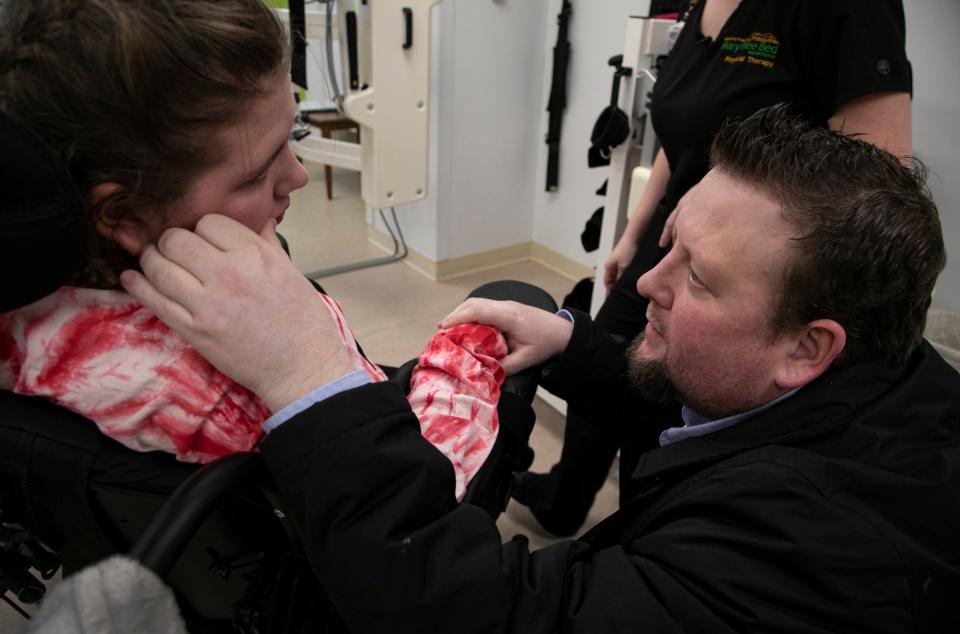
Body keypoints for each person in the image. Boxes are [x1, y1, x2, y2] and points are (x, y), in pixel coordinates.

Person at [121, 105, 960, 631]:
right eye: (671, 246)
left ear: (808, 347)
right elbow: (720, 412)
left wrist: (313, 383)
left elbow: (492, 616)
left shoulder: (809, 555)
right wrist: (575, 346)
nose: (644, 284)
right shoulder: (872, 373)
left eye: (696, 279)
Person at [0, 0, 509, 501]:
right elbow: (422, 491)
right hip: (397, 505)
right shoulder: (210, 388)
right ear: (124, 216)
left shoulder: (30, 311)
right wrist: (469, 354)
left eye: (294, 139)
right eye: (258, 172)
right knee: (507, 297)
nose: (299, 176)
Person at [520, 0, 916, 536]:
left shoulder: (841, 14)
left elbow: (879, 180)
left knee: (665, 399)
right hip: (673, 234)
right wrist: (631, 236)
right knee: (611, 352)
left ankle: (647, 531)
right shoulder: (698, 8)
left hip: (740, 262)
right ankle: (566, 497)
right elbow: (681, 129)